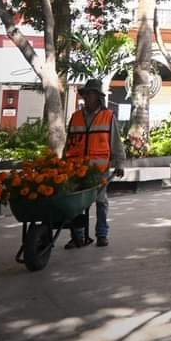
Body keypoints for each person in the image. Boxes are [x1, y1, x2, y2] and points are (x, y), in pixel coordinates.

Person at [63, 78, 125, 249]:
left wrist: (119, 162)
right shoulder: (76, 117)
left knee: (100, 200)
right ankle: (77, 237)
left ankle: (102, 234)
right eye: (86, 94)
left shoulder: (108, 116)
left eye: (91, 94)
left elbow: (115, 141)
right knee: (75, 203)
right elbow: (69, 142)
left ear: (98, 97)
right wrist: (63, 162)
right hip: (76, 167)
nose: (88, 98)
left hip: (99, 169)